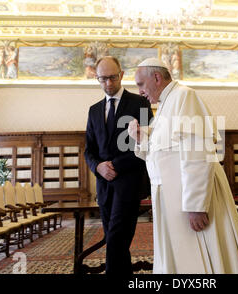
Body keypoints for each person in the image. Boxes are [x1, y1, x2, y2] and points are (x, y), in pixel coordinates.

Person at [128, 57, 238, 274]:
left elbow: (198, 150)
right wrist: (141, 138)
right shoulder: (166, 104)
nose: (139, 91)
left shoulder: (184, 96)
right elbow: (163, 152)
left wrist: (196, 205)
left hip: (192, 197)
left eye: (140, 84)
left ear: (156, 77)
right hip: (171, 194)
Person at [84, 56, 153, 275]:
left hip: (129, 184)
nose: (108, 84)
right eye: (103, 79)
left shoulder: (141, 103)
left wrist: (114, 165)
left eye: (112, 77)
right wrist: (98, 167)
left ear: (121, 74)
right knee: (117, 242)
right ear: (97, 79)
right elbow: (89, 150)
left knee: (114, 239)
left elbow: (147, 144)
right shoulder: (93, 111)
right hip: (104, 186)